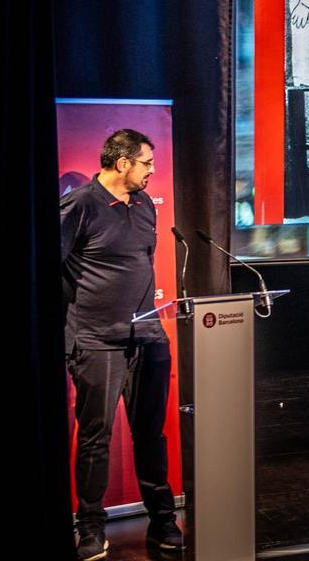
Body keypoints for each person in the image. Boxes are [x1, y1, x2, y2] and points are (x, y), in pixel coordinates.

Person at [60, 130, 183, 560]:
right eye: (147, 162)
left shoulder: (146, 205)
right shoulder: (80, 204)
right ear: (122, 163)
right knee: (95, 437)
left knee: (151, 434)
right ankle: (90, 528)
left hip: (147, 338)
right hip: (96, 341)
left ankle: (163, 519)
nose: (153, 170)